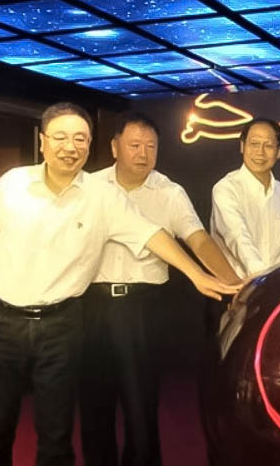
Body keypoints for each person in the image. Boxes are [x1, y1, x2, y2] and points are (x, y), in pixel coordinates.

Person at [0, 102, 238, 466]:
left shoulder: (104, 196)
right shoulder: (13, 183)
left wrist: (197, 274)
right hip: (4, 320)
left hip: (65, 322)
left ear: (89, 144)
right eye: (61, 138)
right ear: (43, 142)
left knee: (59, 434)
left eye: (80, 139)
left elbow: (153, 234)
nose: (71, 147)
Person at [81, 112, 241, 466]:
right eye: (134, 145)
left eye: (151, 146)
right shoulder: (89, 187)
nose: (143, 153)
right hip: (89, 305)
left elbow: (198, 240)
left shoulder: (170, 192)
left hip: (142, 306)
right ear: (114, 147)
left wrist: (233, 284)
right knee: (93, 404)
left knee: (141, 406)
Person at [211, 117, 280, 278]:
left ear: (279, 151)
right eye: (254, 144)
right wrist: (260, 276)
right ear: (242, 146)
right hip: (237, 285)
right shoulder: (226, 189)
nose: (260, 152)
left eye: (268, 145)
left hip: (275, 285)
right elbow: (236, 236)